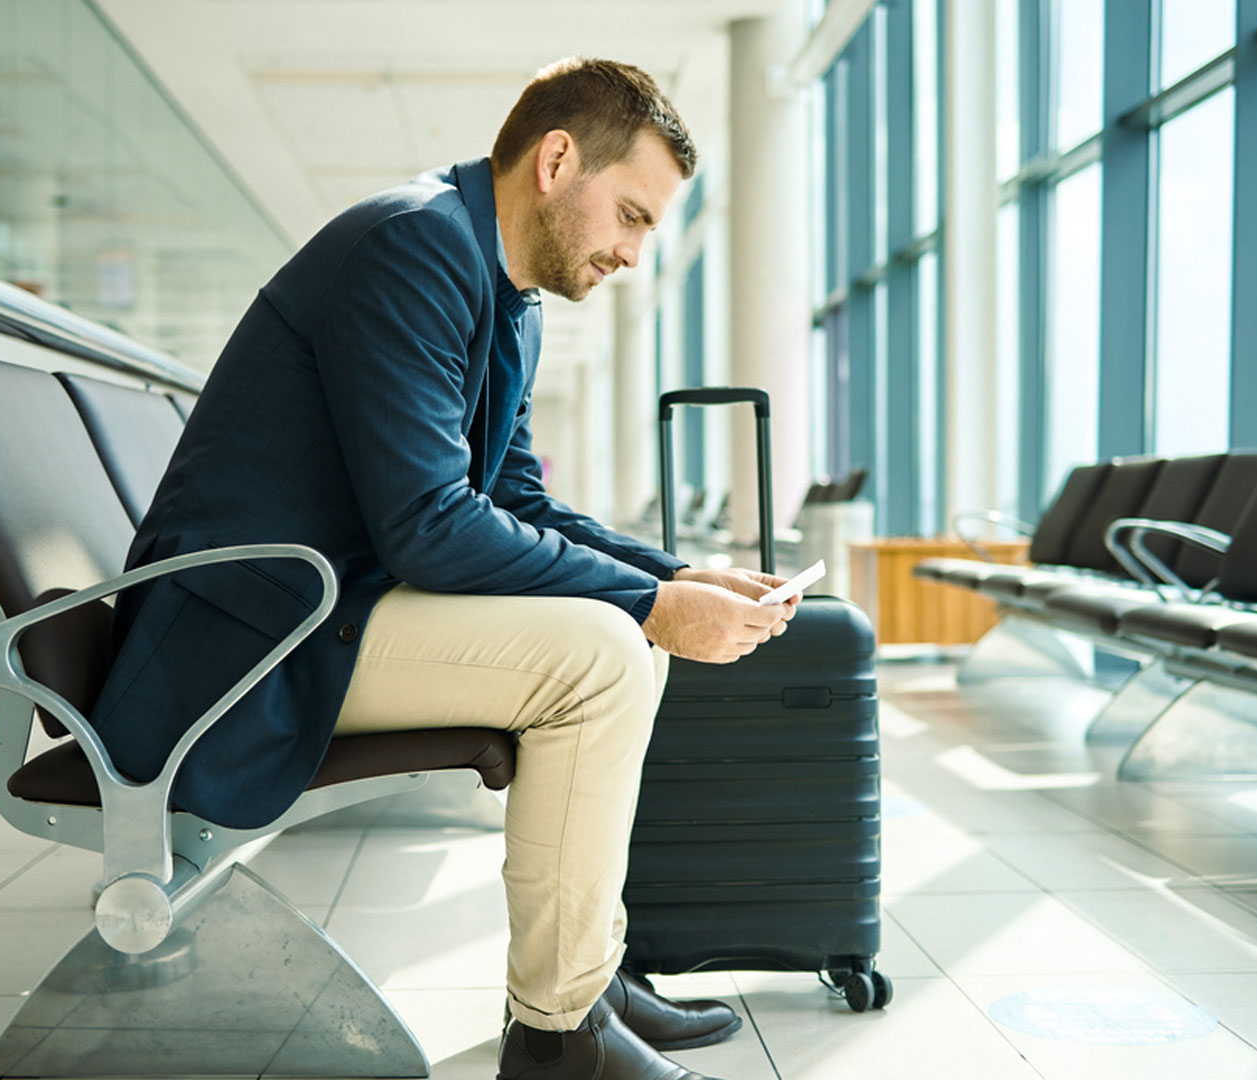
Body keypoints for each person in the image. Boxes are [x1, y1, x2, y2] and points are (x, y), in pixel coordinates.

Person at [88, 57, 797, 1080]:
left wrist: (683, 575)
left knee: (630, 642)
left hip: (319, 604)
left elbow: (519, 504)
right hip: (241, 642)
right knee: (606, 650)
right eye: (632, 215)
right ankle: (561, 1040)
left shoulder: (502, 292)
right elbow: (430, 525)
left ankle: (583, 980)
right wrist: (651, 601)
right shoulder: (410, 247)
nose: (637, 253)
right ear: (558, 160)